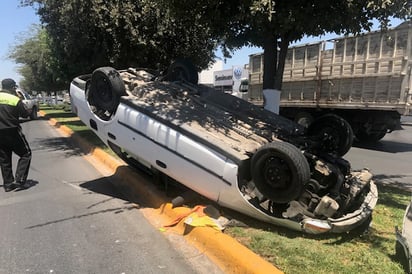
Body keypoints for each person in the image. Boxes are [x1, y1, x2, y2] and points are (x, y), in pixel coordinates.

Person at [0, 78, 32, 192]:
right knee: (26, 154)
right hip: (12, 131)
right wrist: (21, 100)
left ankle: (8, 184)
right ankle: (19, 181)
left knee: (4, 159)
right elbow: (24, 114)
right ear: (12, 87)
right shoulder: (14, 99)